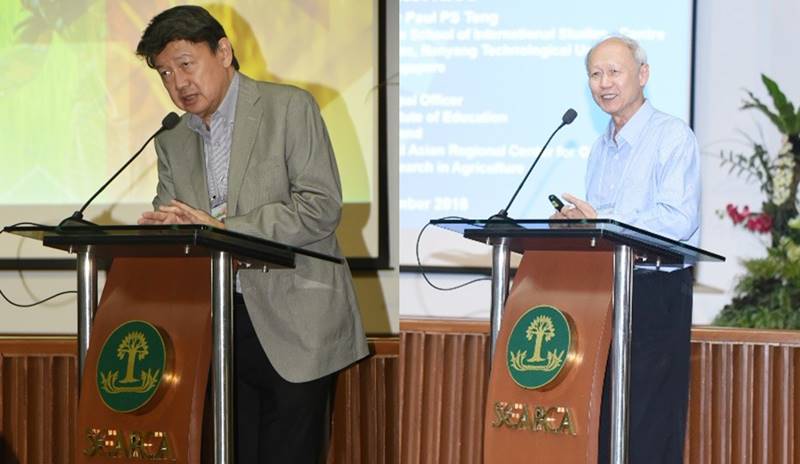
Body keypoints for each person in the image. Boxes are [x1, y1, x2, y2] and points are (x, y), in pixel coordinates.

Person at [134, 5, 369, 462]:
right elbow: (177, 221)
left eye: (185, 64)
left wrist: (224, 230)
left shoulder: (288, 107)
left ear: (223, 52)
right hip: (215, 325)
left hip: (295, 319)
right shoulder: (171, 140)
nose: (178, 83)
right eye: (164, 73)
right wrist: (167, 232)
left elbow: (320, 207)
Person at [552, 35, 700, 463]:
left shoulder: (672, 137)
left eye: (614, 71)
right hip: (605, 296)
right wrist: (575, 227)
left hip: (654, 296)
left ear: (643, 75)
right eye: (595, 74)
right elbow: (603, 223)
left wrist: (602, 221)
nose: (604, 83)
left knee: (647, 426)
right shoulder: (601, 148)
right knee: (603, 421)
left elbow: (678, 220)